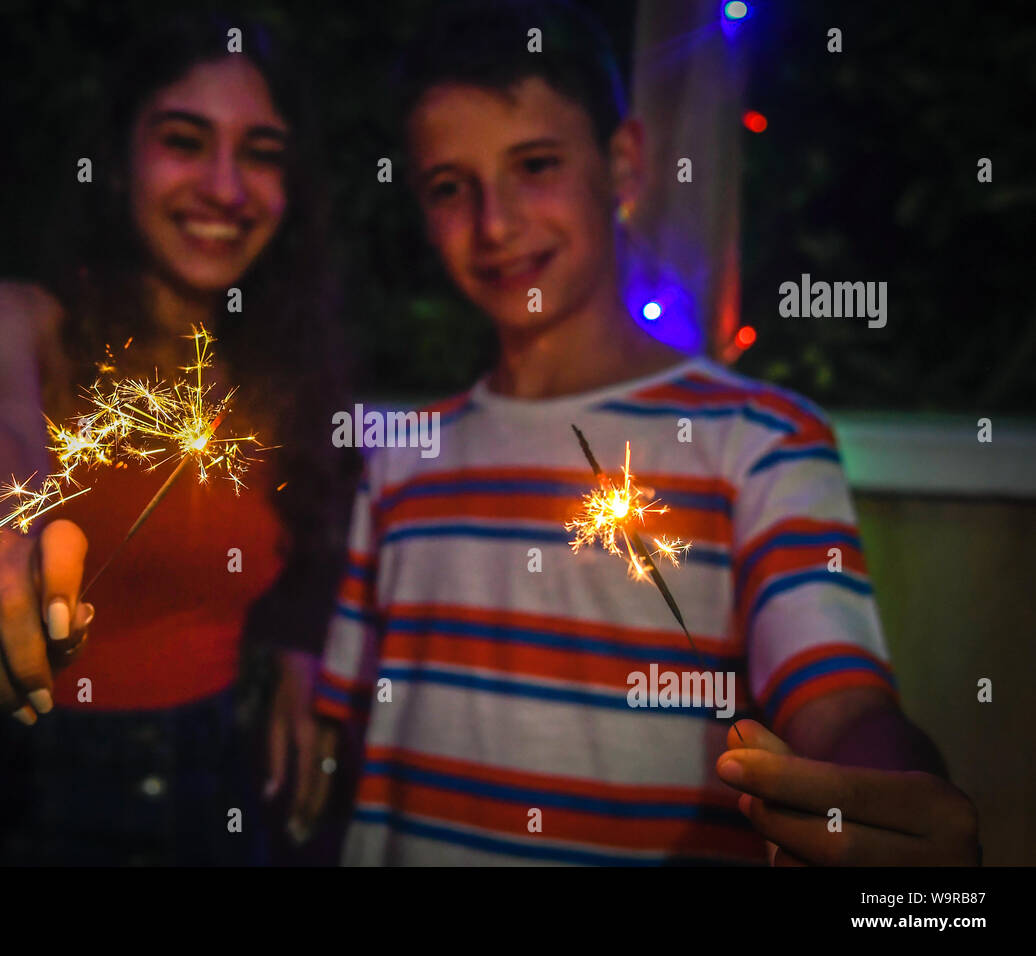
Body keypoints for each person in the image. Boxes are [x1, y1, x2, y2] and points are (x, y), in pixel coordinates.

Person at [289, 0, 980, 865]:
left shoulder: (758, 442)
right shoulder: (402, 457)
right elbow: (349, 715)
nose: (495, 224)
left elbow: (839, 703)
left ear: (622, 164)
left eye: (535, 165)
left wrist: (887, 800)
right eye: (449, 187)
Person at [0, 11, 355, 865]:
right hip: (26, 797)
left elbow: (324, 524)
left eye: (260, 153)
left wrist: (298, 650)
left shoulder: (280, 368)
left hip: (217, 788)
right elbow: (1, 434)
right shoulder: (21, 321)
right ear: (116, 164)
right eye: (185, 141)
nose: (225, 186)